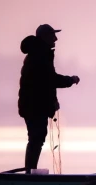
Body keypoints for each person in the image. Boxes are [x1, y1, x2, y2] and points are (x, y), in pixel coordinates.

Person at [18, 24, 80, 174]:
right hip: (33, 106)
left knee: (37, 138)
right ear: (45, 37)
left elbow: (44, 83)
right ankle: (29, 173)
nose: (56, 39)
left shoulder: (39, 53)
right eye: (53, 35)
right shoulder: (39, 55)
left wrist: (53, 101)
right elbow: (50, 79)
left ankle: (30, 172)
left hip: (34, 105)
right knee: (36, 138)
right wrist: (70, 80)